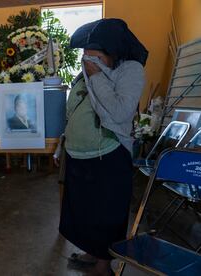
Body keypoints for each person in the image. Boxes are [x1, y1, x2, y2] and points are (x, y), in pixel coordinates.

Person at [54, 18, 148, 276]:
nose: (87, 60)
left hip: (108, 154)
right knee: (83, 211)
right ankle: (92, 253)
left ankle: (103, 265)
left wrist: (96, 75)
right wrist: (62, 144)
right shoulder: (86, 72)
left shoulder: (130, 70)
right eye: (85, 55)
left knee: (105, 213)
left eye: (94, 56)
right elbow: (75, 109)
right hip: (78, 154)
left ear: (112, 51)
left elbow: (119, 111)